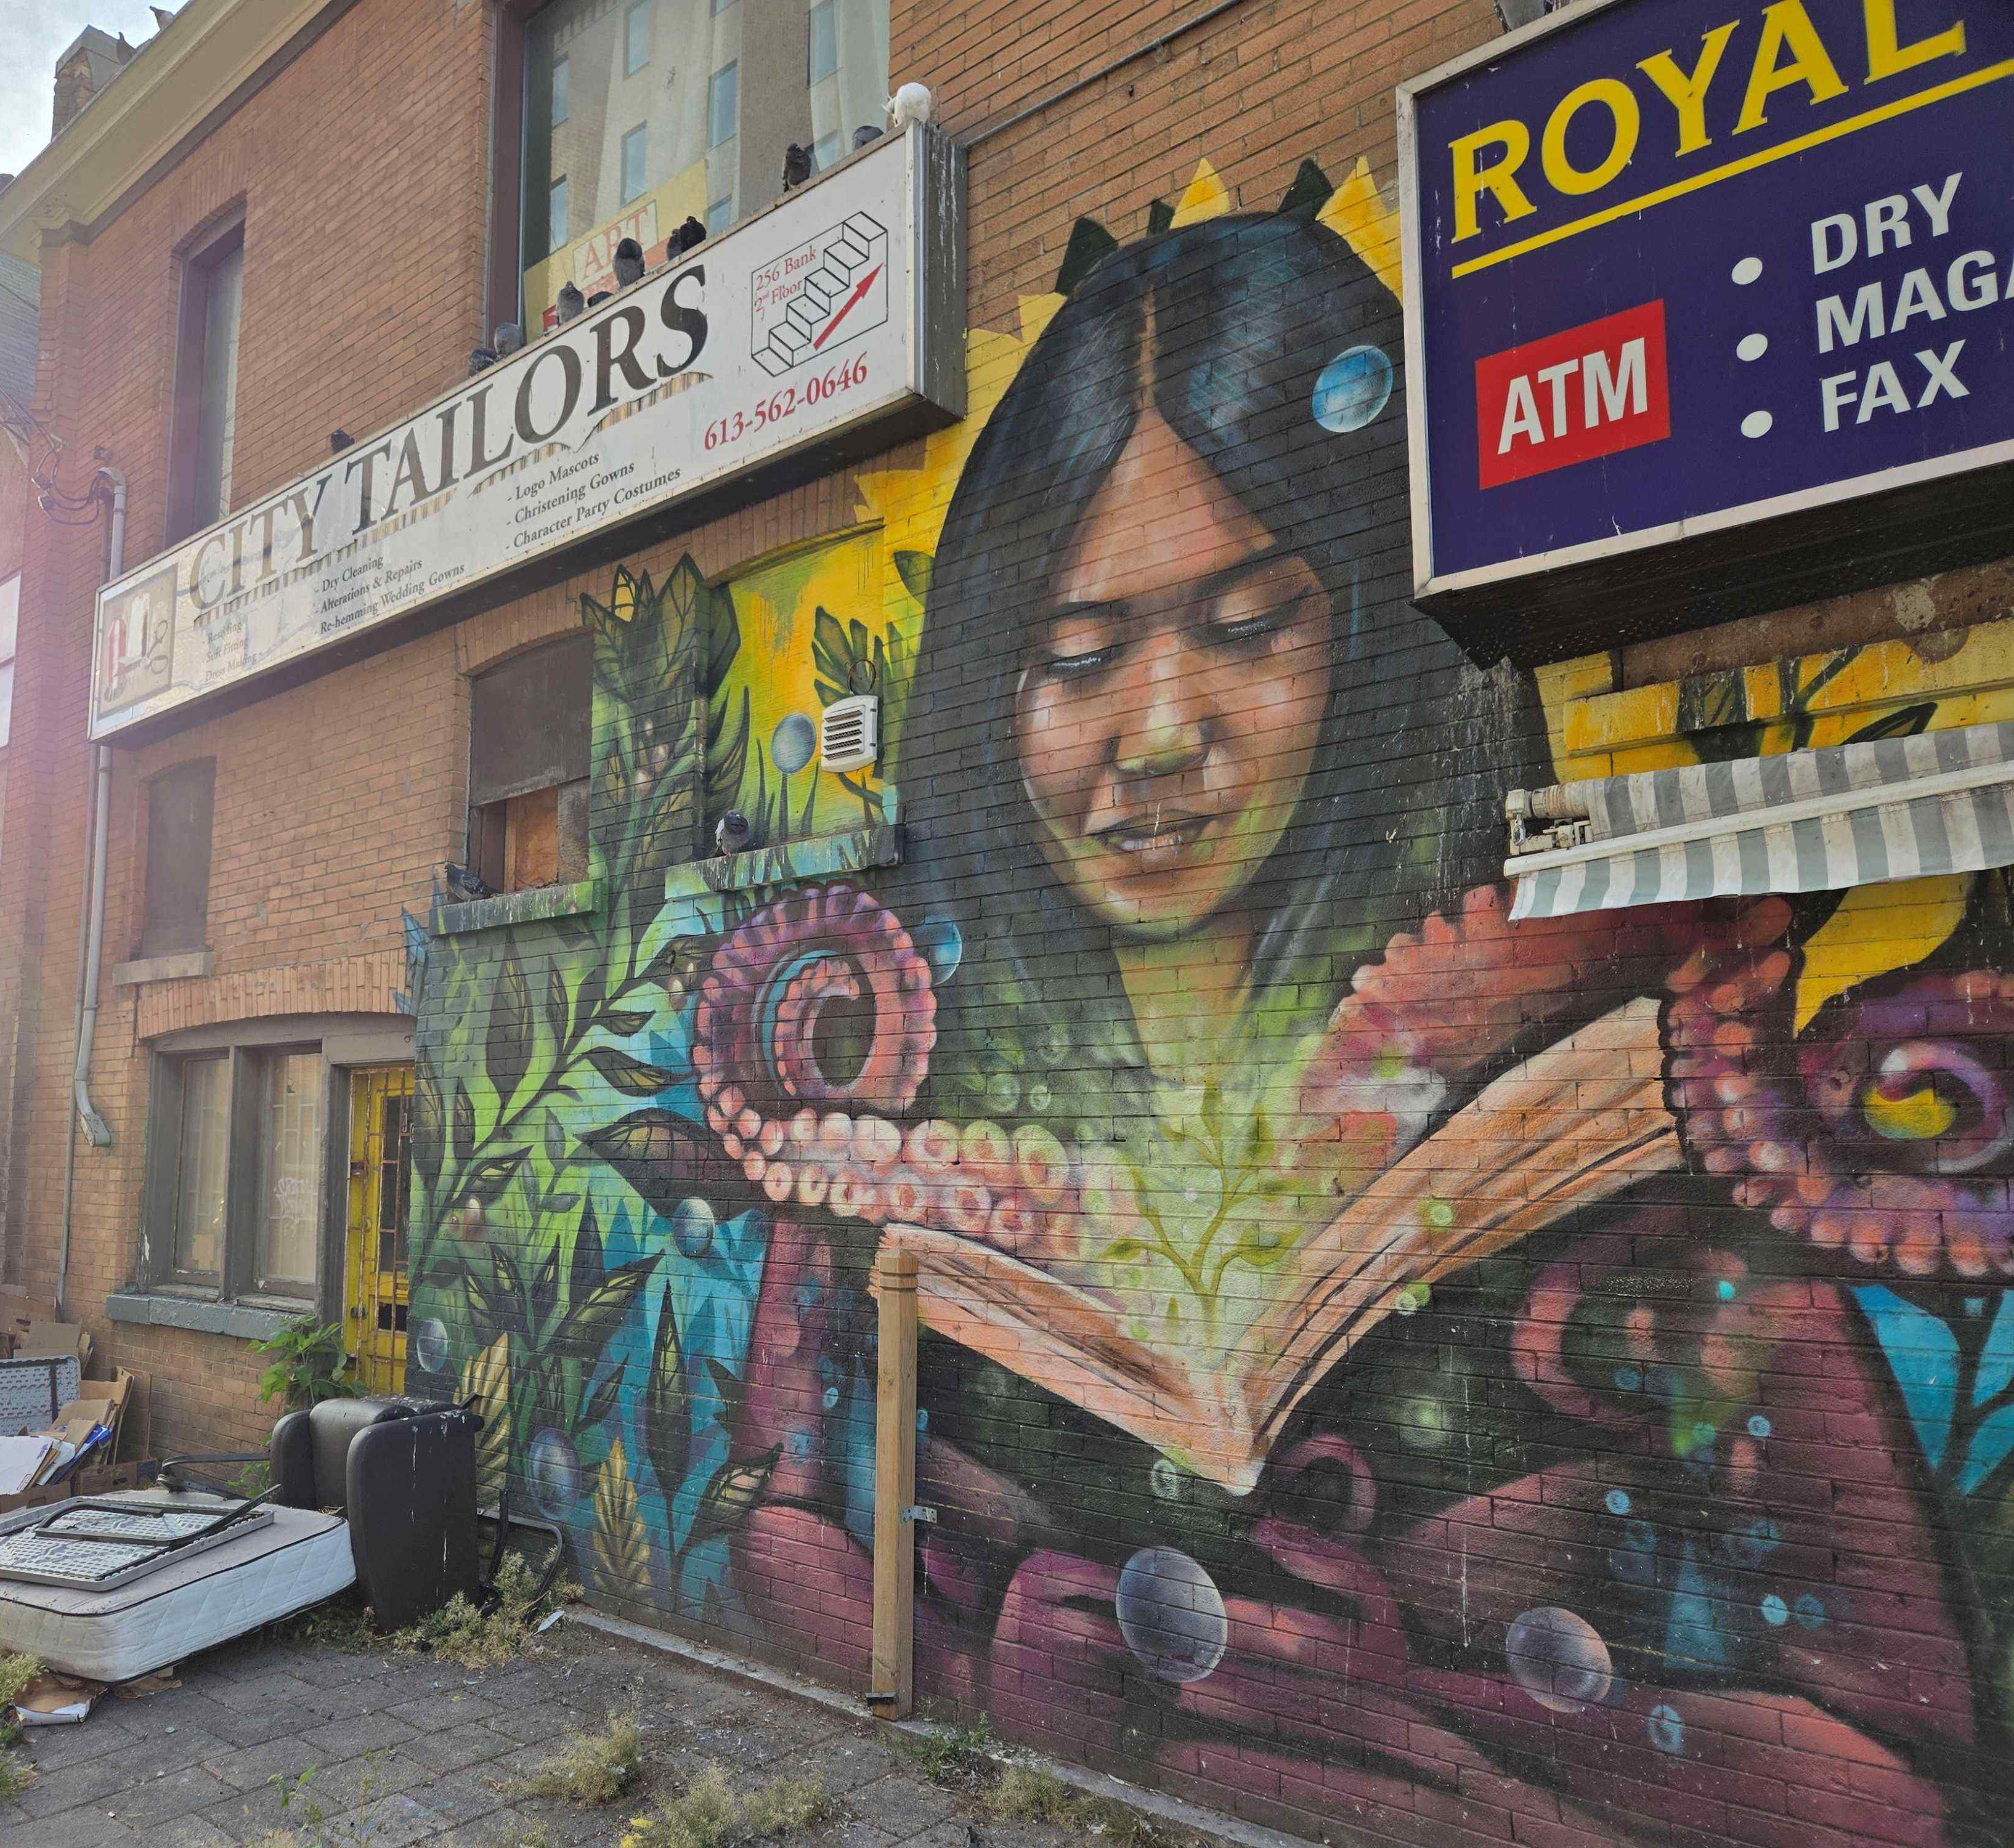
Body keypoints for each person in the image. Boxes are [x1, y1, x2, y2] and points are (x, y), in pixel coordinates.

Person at [720, 194, 1975, 1839]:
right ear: (985, 692)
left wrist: (1470, 1742)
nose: (1158, 734)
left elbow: (1913, 1766)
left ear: (1377, 622)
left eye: (1252, 629)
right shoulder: (896, 1115)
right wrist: (964, 1685)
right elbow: (774, 1510)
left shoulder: (1606, 1116)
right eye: (1078, 658)